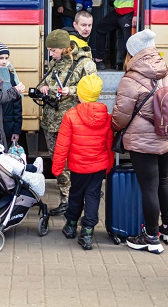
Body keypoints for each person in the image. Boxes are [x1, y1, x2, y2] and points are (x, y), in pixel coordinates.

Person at [112, 29, 168, 254]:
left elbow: (120, 118)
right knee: (164, 180)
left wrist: (114, 128)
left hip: (144, 142)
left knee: (148, 188)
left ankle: (151, 237)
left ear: (133, 53)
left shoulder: (131, 79)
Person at [37, 29, 97, 216]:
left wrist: (69, 91)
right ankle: (67, 199)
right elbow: (43, 84)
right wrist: (44, 89)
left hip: (72, 122)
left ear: (64, 48)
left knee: (73, 162)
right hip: (52, 121)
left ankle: (71, 201)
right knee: (58, 162)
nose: (50, 54)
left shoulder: (85, 64)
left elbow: (93, 89)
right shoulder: (57, 63)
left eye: (53, 50)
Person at [52, 74, 113, 250]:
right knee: (93, 196)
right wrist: (108, 165)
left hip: (78, 167)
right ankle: (87, 233)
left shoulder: (71, 115)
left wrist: (57, 167)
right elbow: (109, 144)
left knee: (76, 194)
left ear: (80, 94)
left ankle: (71, 226)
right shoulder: (106, 116)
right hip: (99, 166)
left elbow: (62, 145)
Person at [0, 128, 45, 197]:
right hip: (11, 179)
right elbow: (20, 169)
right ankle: (37, 167)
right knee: (30, 166)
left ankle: (35, 165)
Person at [0, 42, 23, 146]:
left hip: (8, 124)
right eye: (1, 58)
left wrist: (16, 130)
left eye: (6, 58)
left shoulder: (11, 76)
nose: (4, 62)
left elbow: (17, 106)